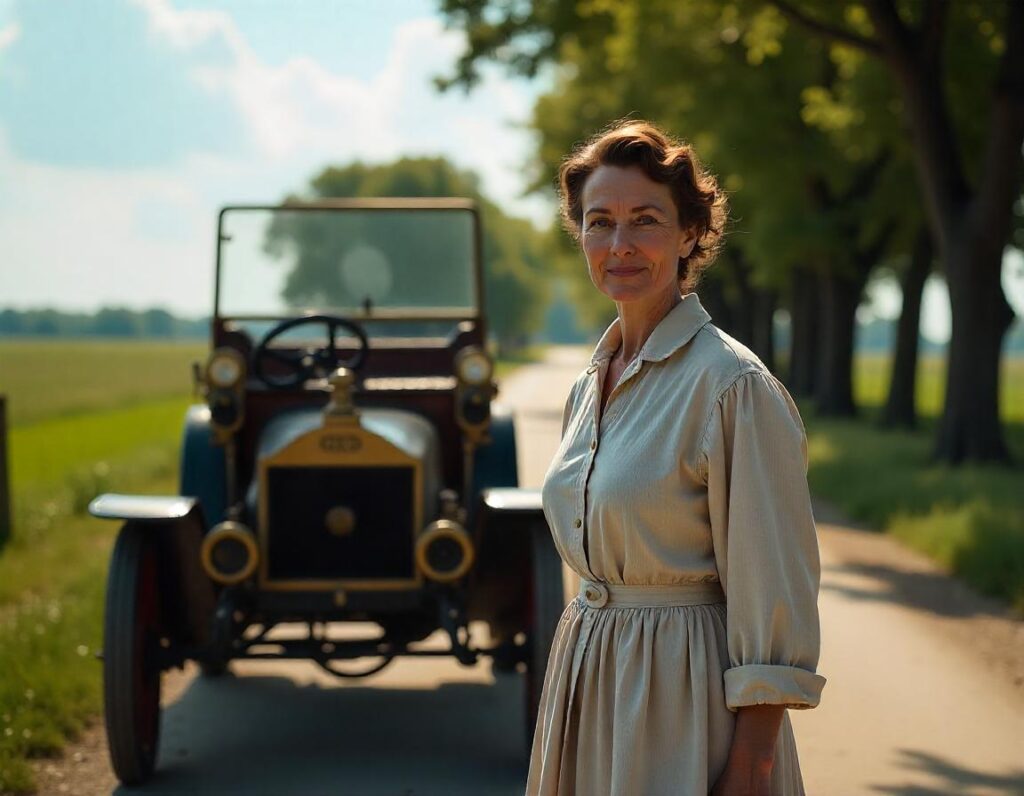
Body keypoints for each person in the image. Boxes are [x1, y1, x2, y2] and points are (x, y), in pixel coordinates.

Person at [529, 120, 825, 796]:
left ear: (691, 233)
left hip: (683, 701)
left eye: (646, 220)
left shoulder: (733, 388)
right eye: (599, 222)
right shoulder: (588, 384)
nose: (620, 244)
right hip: (590, 678)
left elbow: (773, 585)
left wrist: (752, 764)